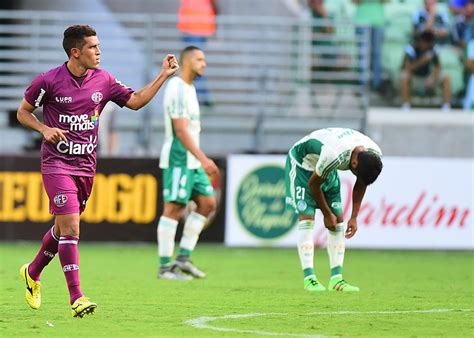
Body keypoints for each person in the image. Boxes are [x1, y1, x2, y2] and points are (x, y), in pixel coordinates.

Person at [16, 24, 178, 317]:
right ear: (76, 52)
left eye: (99, 46)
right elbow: (23, 112)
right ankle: (77, 298)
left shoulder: (103, 81)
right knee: (72, 228)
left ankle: (33, 271)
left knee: (61, 229)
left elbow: (136, 102)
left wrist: (163, 76)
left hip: (86, 167)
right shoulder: (48, 81)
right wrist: (44, 128)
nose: (99, 51)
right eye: (93, 47)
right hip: (56, 164)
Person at [285, 127, 383, 292]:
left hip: (325, 168)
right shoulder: (334, 155)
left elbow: (361, 182)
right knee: (307, 219)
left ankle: (336, 280)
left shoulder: (373, 155)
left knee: (338, 222)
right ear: (354, 163)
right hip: (303, 164)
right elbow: (313, 184)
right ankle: (310, 279)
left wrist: (354, 217)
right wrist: (326, 214)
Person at [157, 46, 219, 280]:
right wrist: (204, 158)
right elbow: (181, 130)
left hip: (192, 160)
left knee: (207, 203)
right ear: (187, 61)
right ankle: (164, 268)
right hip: (179, 158)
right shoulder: (177, 87)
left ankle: (183, 258)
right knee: (173, 208)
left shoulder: (191, 88)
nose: (204, 64)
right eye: (200, 59)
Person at [177, 0, 218, 107]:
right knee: (193, 63)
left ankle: (203, 99)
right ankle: (203, 98)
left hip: (194, 24)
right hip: (196, 23)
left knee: (193, 64)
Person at [400, 30, 452, 112]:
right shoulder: (411, 48)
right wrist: (422, 61)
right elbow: (406, 68)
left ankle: (446, 106)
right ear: (420, 41)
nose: (426, 45)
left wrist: (432, 77)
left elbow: (438, 67)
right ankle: (406, 105)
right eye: (425, 42)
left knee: (446, 77)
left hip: (427, 78)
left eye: (429, 43)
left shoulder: (432, 48)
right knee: (404, 76)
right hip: (414, 78)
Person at [352, 0, 387, 91]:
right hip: (361, 21)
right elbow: (354, 1)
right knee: (362, 55)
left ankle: (376, 85)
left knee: (377, 54)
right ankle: (362, 86)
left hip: (378, 21)